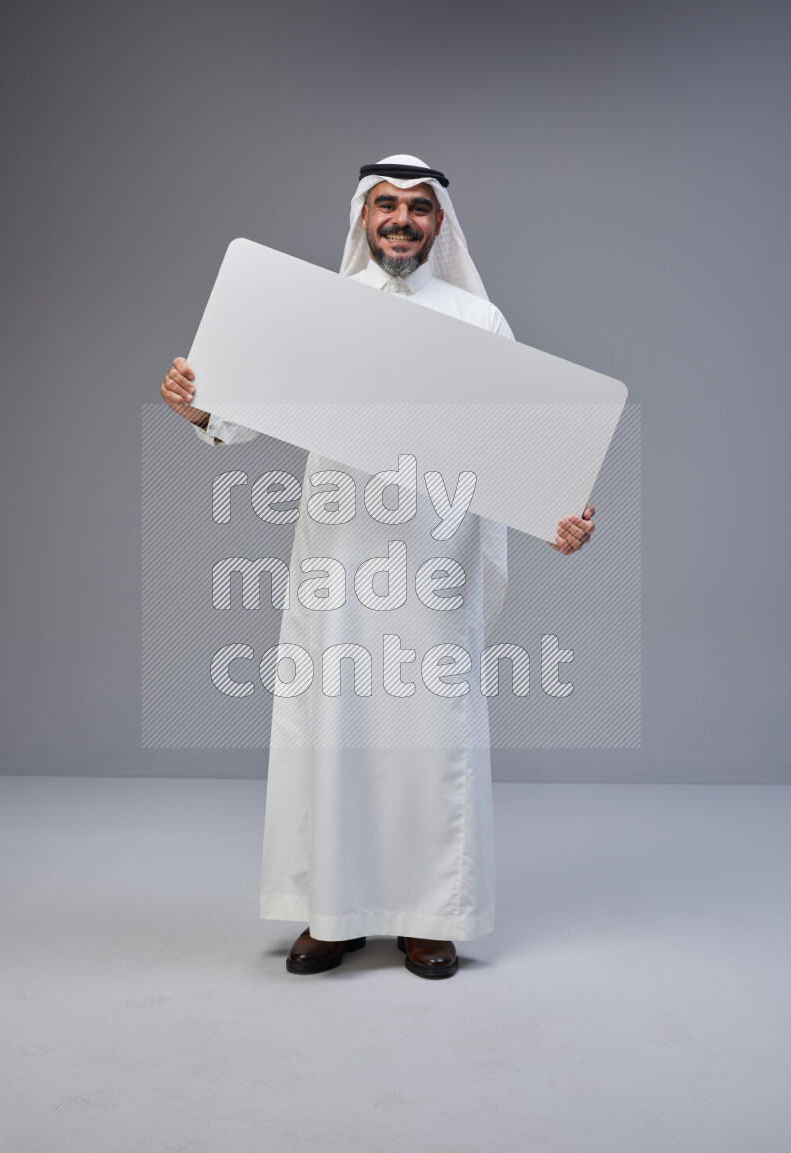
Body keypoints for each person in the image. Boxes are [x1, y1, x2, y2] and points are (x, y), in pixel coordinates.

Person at [160, 154, 595, 980]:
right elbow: (247, 409)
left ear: (440, 224)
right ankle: (335, 913)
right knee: (336, 730)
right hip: (341, 553)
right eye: (386, 205)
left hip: (433, 562)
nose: (401, 219)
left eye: (418, 208)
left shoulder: (478, 318)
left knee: (430, 737)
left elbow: (523, 445)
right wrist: (202, 403)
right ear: (363, 217)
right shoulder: (323, 312)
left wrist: (560, 513)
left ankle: (431, 917)